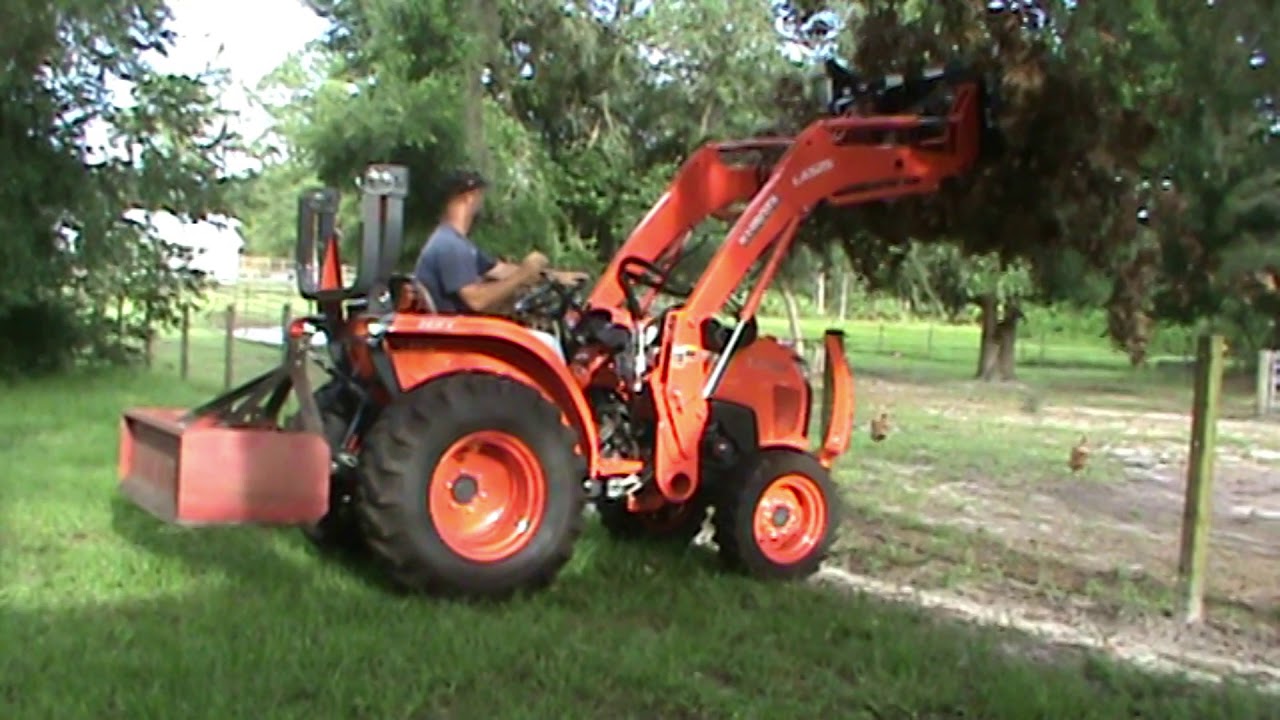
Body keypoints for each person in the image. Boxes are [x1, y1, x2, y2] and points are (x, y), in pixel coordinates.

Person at [413, 169, 587, 315]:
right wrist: (522, 276)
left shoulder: (455, 243)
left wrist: (556, 277)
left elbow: (501, 270)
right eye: (481, 196)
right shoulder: (450, 246)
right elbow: (477, 301)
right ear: (470, 197)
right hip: (456, 341)